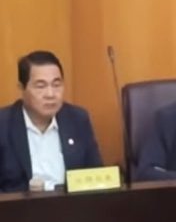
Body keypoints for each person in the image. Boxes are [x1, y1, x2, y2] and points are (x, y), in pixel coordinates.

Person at [0, 51, 103, 192]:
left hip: (71, 204)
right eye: (40, 86)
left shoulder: (77, 119)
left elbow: (95, 176)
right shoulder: (4, 124)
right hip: (21, 205)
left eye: (56, 85)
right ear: (22, 88)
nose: (51, 94)